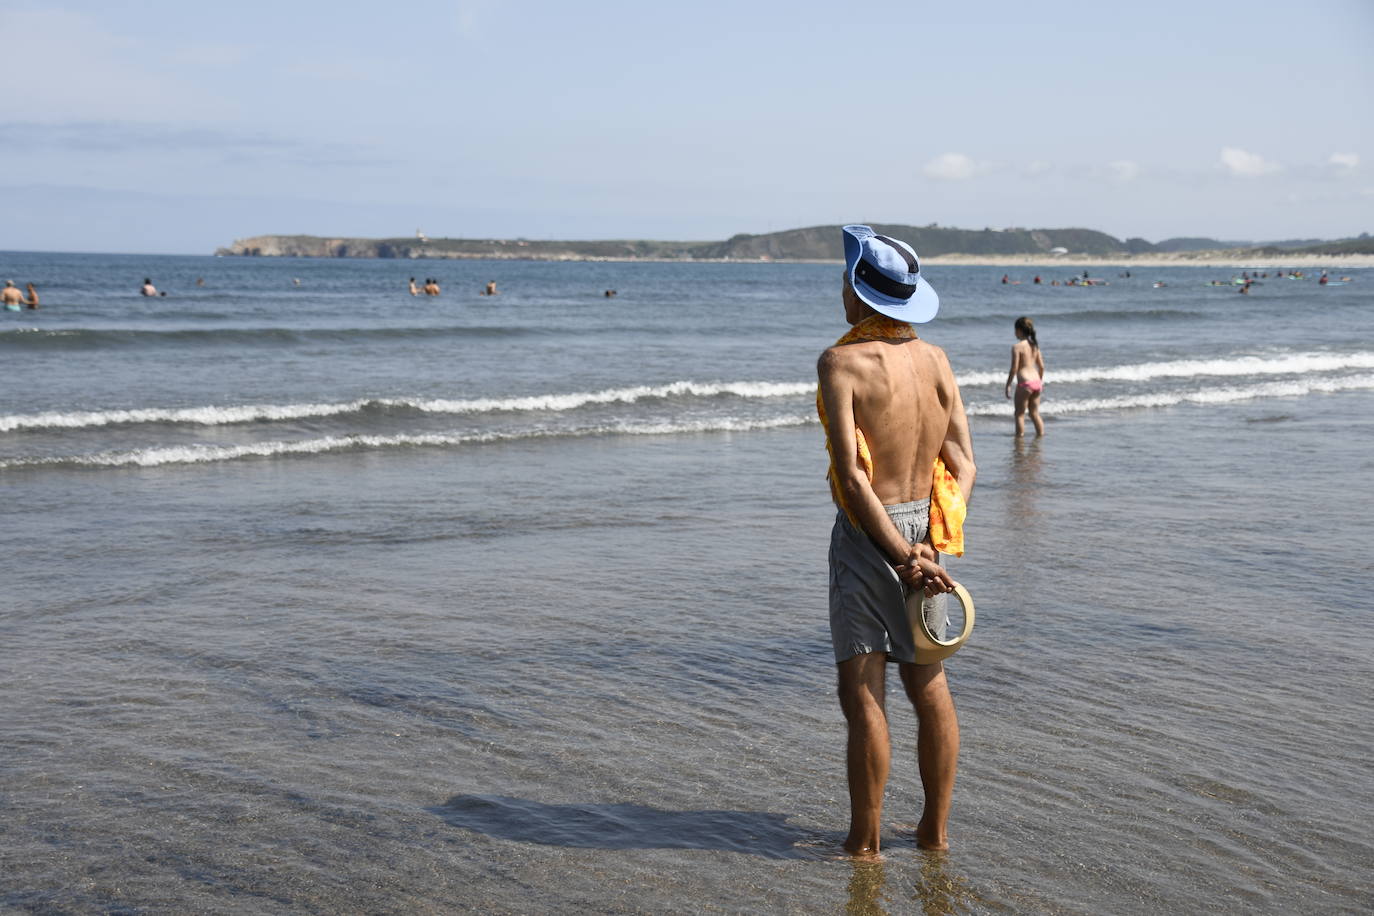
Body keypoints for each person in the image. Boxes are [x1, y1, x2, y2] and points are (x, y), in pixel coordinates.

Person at [817, 225, 976, 857]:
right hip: (926, 536)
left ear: (857, 294)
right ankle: (933, 833)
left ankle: (865, 842)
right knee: (928, 683)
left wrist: (897, 552)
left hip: (870, 537)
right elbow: (964, 462)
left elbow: (854, 478)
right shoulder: (935, 360)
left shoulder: (842, 362)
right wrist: (930, 544)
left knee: (863, 690)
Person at [1004, 316, 1045, 437]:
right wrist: (1039, 381)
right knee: (1034, 413)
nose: (1014, 332)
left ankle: (1019, 441)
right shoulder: (1034, 346)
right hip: (1036, 382)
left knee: (1019, 414)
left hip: (1025, 383)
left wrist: (1008, 385)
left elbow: (1014, 368)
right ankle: (1040, 437)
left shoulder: (1017, 347)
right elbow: (1042, 367)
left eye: (1015, 330)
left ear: (1019, 330)